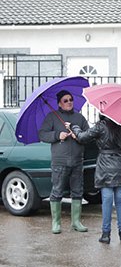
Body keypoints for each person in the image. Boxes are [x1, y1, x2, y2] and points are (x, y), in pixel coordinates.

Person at [68, 114, 121, 244]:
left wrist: (74, 127)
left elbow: (82, 137)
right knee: (120, 201)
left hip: (105, 167)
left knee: (107, 201)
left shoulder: (101, 126)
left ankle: (106, 234)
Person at [39, 89, 89, 234]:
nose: (69, 102)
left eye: (71, 99)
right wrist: (57, 135)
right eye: (65, 100)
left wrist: (77, 135)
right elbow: (42, 134)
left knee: (78, 191)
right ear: (59, 104)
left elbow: (88, 135)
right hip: (59, 162)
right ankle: (56, 223)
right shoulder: (52, 117)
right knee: (57, 191)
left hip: (77, 161)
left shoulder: (79, 118)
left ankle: (76, 222)